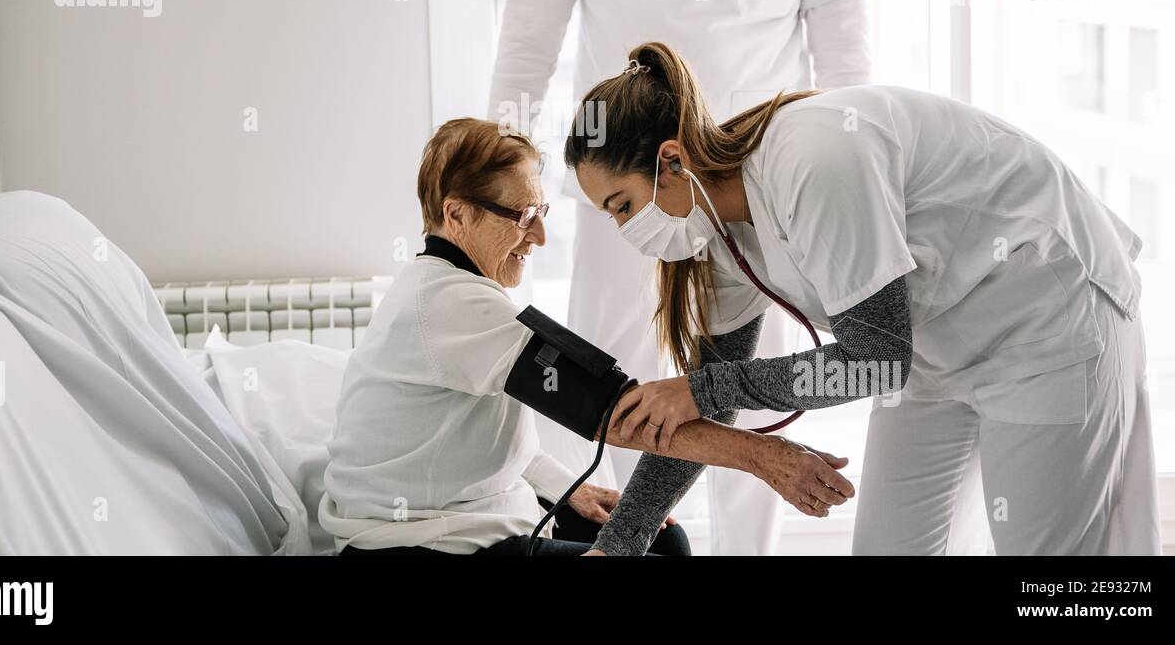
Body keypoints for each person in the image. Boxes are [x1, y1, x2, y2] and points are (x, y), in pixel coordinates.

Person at [488, 0, 874, 554]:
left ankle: (748, 549)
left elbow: (844, 46)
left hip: (751, 183)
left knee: (742, 377)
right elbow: (528, 34)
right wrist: (502, 166)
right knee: (606, 355)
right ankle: (632, 539)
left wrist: (852, 173)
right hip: (623, 175)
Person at [566, 42, 1160, 556]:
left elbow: (874, 357)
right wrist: (621, 543)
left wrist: (701, 389)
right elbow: (702, 405)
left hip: (1047, 317)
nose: (626, 230)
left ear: (670, 160)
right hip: (935, 351)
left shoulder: (811, 159)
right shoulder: (716, 231)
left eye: (622, 205)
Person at [319, 117, 853, 555]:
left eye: (542, 212)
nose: (541, 236)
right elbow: (611, 412)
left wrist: (565, 490)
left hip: (464, 519)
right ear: (456, 215)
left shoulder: (452, 290)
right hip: (411, 546)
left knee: (664, 543)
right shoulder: (447, 304)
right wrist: (765, 457)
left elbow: (470, 446)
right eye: (523, 216)